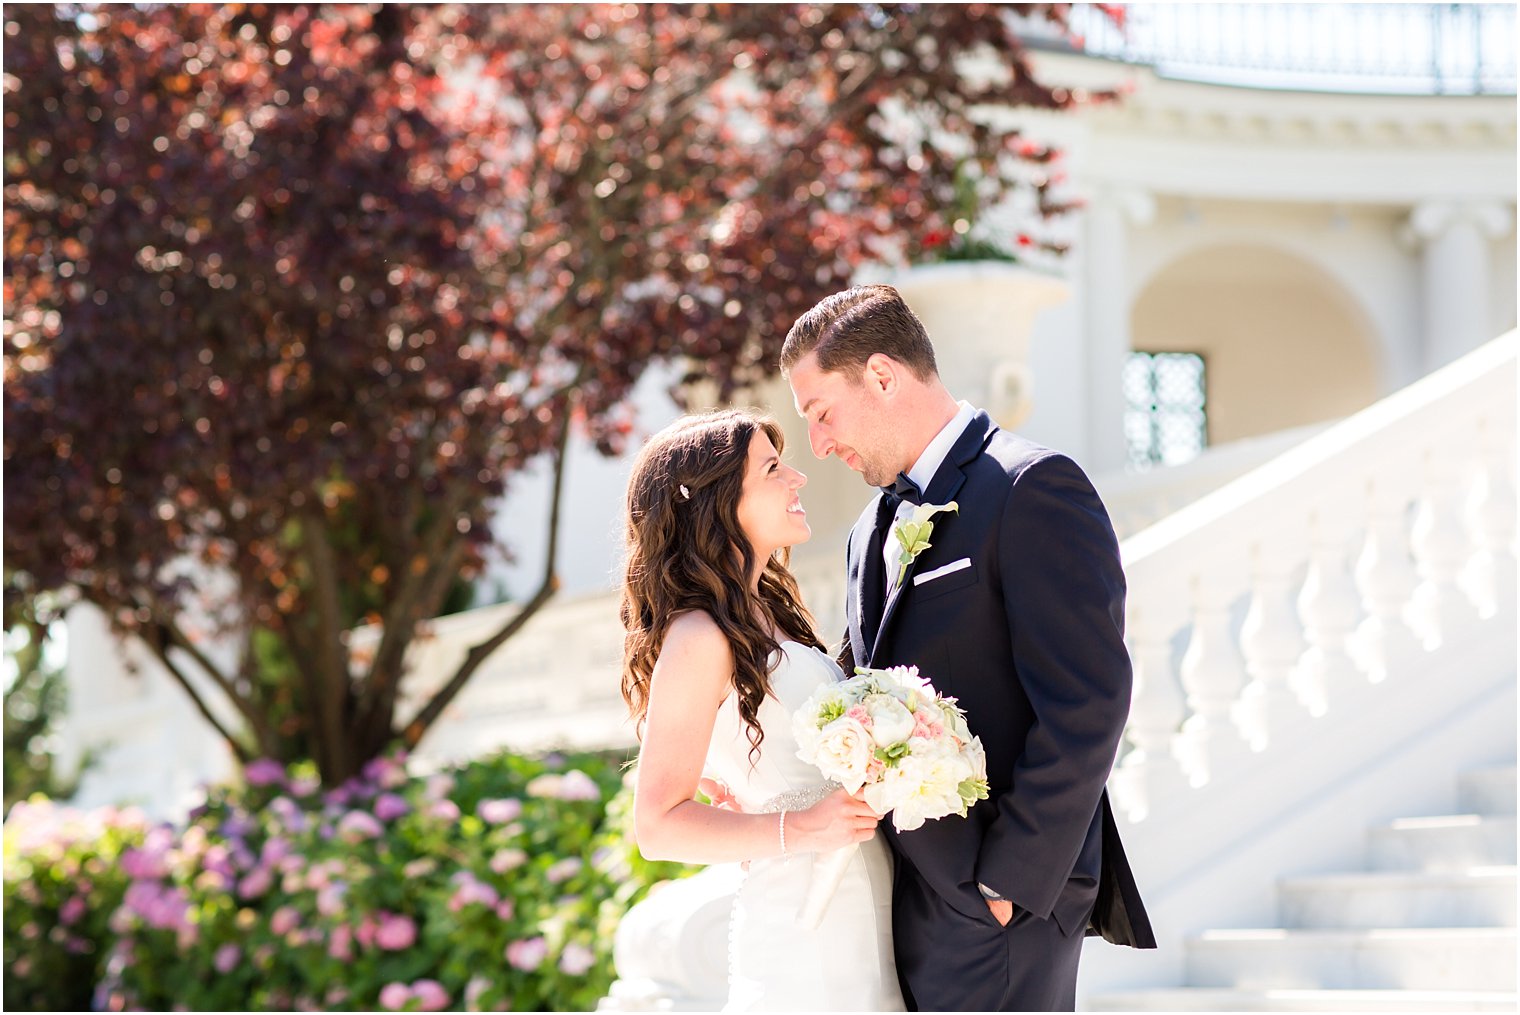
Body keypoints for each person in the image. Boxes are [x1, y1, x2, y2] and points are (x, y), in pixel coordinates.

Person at [782, 284, 1156, 1012]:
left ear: (883, 376)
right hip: (907, 891)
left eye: (821, 414)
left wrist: (1005, 880)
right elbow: (858, 684)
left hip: (1000, 902)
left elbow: (1088, 701)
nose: (819, 444)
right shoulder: (869, 528)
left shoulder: (1032, 486)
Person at [618, 409, 907, 1012]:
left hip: (863, 893)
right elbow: (657, 824)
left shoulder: (766, 615)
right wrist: (797, 825)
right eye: (773, 468)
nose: (797, 478)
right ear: (717, 501)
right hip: (803, 915)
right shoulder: (699, 635)